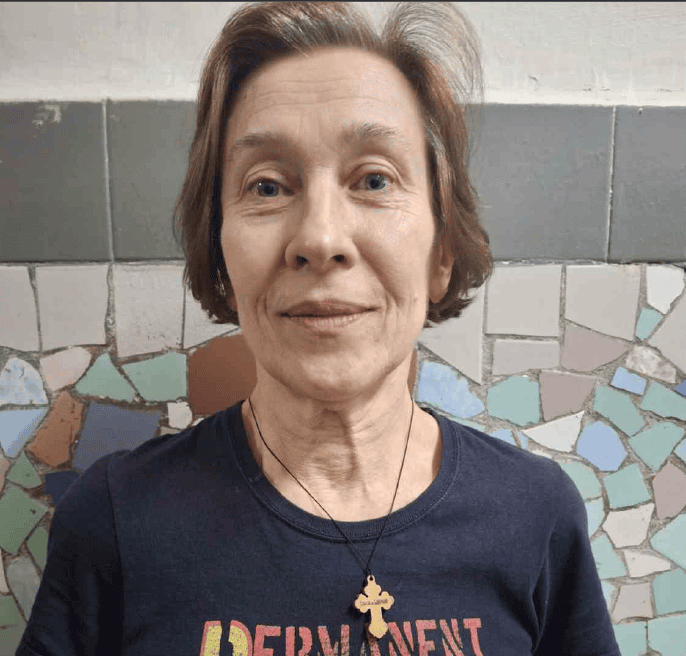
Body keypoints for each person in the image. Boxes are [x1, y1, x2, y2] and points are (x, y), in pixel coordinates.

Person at [17, 3, 621, 655]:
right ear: (220, 259)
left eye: (374, 179)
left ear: (442, 252)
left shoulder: (536, 515)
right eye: (267, 187)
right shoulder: (116, 520)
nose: (320, 238)